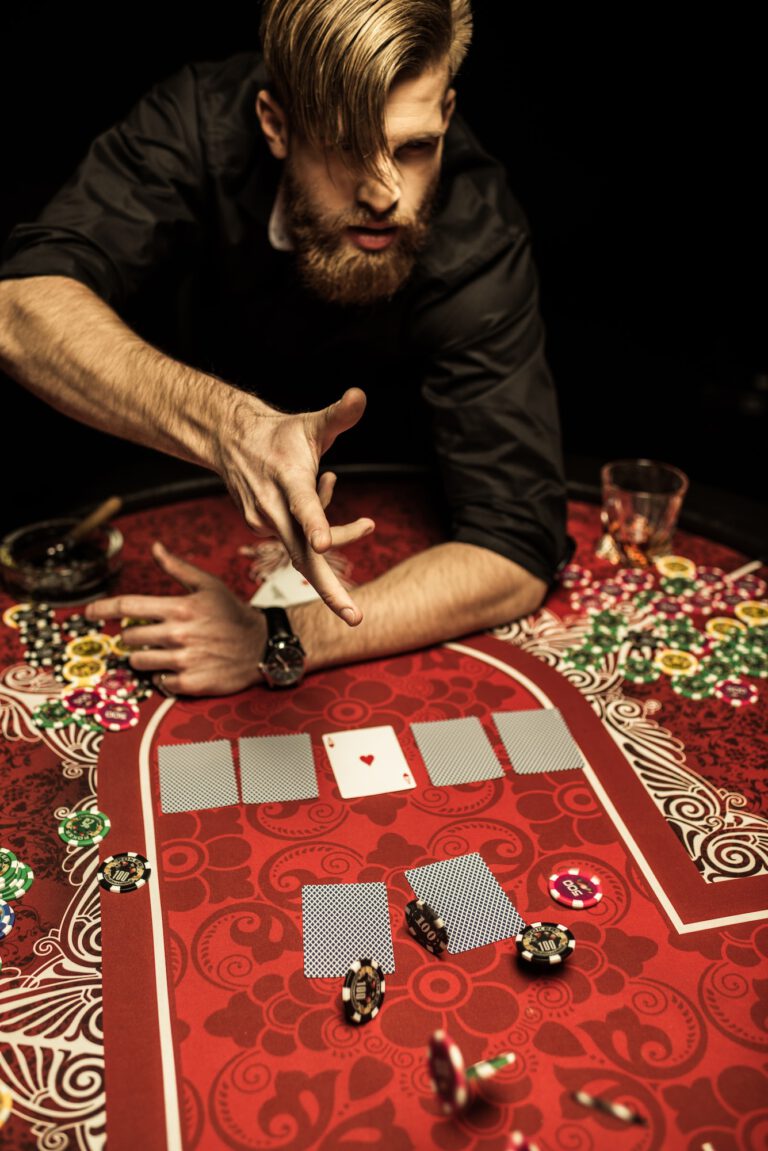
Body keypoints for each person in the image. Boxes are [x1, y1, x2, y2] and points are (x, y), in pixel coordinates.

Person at [0, 0, 568, 695]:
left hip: (377, 526)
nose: (384, 192)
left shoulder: (478, 230)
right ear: (275, 124)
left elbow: (514, 547)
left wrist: (278, 635)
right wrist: (232, 426)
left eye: (413, 147)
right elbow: (17, 309)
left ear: (446, 114)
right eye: (346, 146)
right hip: (155, 491)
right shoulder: (199, 122)